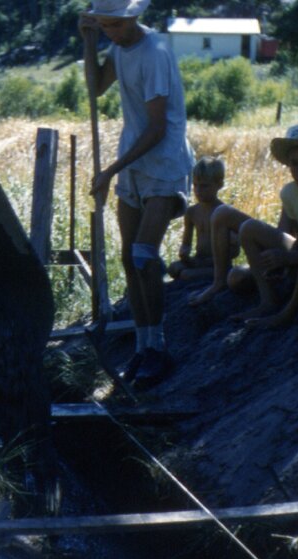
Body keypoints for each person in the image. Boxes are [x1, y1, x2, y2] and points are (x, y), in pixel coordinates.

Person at [80, 0, 194, 387]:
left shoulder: (156, 52)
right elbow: (96, 88)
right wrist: (88, 43)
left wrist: (110, 170)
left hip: (163, 163)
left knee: (146, 255)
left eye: (114, 25)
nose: (110, 32)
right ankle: (143, 346)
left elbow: (158, 127)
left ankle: (159, 349)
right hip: (132, 161)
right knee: (130, 258)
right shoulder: (115, 46)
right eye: (103, 26)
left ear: (132, 18)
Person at [190, 125, 298, 321]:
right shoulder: (290, 192)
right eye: (294, 164)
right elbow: (282, 234)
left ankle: (282, 309)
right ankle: (239, 289)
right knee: (236, 271)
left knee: (256, 242)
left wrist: (289, 259)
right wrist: (275, 259)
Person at [167, 156, 224, 282]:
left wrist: (209, 262)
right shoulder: (191, 212)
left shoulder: (223, 213)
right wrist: (184, 252)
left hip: (217, 265)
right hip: (198, 261)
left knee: (187, 275)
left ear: (219, 184)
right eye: (195, 185)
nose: (198, 191)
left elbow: (234, 250)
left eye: (204, 186)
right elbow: (186, 243)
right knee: (173, 268)